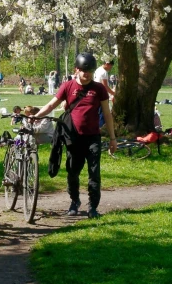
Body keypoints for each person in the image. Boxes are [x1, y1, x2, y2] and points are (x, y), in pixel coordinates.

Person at [28, 52, 117, 218]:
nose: (87, 74)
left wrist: (113, 139)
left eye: (89, 71)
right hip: (73, 136)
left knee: (94, 172)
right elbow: (51, 105)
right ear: (76, 70)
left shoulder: (99, 89)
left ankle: (93, 207)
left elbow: (107, 113)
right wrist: (37, 116)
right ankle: (75, 201)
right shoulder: (68, 86)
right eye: (83, 70)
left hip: (93, 137)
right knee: (73, 171)